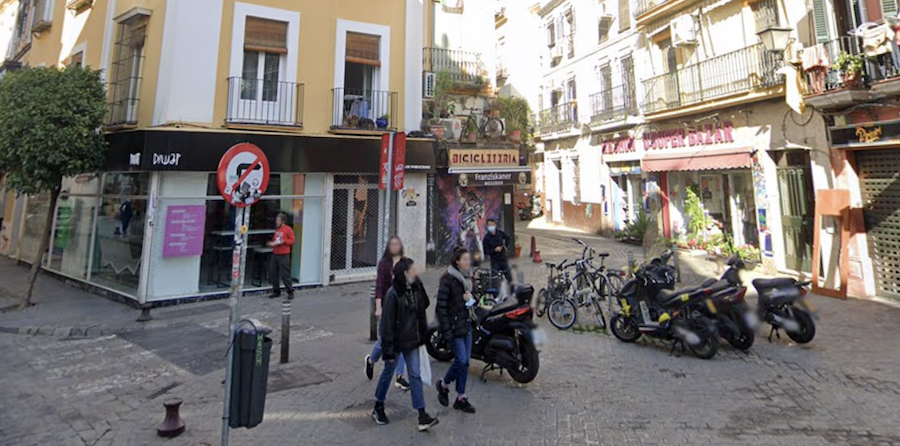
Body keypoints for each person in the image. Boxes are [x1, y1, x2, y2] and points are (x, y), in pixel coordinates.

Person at [372, 258, 439, 431]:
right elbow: (387, 325)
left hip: (412, 341)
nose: (416, 272)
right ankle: (378, 405)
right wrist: (388, 350)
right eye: (413, 269)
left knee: (415, 375)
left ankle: (422, 415)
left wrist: (419, 284)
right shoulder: (393, 294)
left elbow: (425, 304)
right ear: (405, 273)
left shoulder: (415, 289)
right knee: (388, 373)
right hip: (396, 342)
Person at [435, 248, 477, 414]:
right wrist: (446, 332)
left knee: (465, 362)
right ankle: (443, 384)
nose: (468, 262)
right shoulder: (448, 280)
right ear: (457, 261)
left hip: (466, 324)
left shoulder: (469, 279)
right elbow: (441, 308)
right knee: (461, 360)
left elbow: (474, 302)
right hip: (454, 327)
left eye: (469, 259)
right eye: (465, 259)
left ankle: (461, 397)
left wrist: (471, 299)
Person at [365, 236, 409, 390]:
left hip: (402, 309)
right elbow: (379, 286)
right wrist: (378, 307)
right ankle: (371, 360)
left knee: (402, 341)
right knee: (383, 341)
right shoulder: (384, 264)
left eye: (397, 244)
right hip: (387, 307)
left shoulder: (405, 262)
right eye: (392, 244)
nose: (395, 246)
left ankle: (400, 376)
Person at [267, 212, 295, 299]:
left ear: (283, 221)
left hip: (284, 254)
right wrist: (272, 243)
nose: (277, 222)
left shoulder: (288, 229)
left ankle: (290, 291)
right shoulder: (277, 230)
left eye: (278, 220)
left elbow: (292, 240)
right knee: (273, 273)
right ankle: (276, 291)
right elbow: (275, 240)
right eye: (276, 220)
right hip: (276, 253)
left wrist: (284, 241)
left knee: (285, 274)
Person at [482, 218, 512, 282]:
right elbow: (485, 251)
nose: (491, 227)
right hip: (494, 261)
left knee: (509, 277)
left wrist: (505, 246)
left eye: (492, 225)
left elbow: (507, 238)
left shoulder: (499, 233)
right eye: (489, 225)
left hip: (503, 259)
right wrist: (494, 250)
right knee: (494, 279)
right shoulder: (486, 238)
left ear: (495, 225)